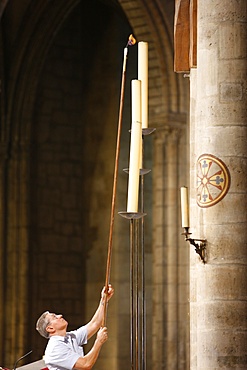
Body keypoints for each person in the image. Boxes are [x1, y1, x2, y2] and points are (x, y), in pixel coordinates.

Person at [36, 285, 114, 370]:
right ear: (50, 328)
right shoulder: (55, 348)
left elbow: (94, 324)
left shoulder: (70, 337)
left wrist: (104, 300)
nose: (60, 315)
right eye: (55, 317)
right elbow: (86, 364)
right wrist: (99, 341)